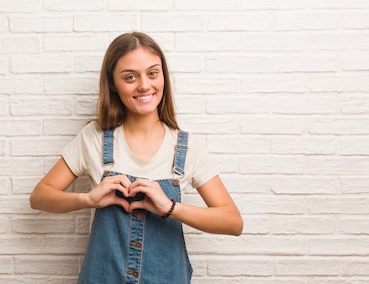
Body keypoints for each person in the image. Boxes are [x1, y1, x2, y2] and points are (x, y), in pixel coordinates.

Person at [29, 32, 243, 284]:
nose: (144, 85)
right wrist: (88, 198)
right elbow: (40, 197)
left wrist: (170, 208)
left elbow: (233, 222)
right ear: (112, 83)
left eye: (153, 73)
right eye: (130, 77)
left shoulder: (185, 147)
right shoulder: (94, 138)